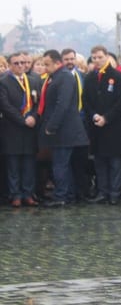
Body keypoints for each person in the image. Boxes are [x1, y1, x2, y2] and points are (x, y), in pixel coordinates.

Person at [38, 49, 90, 207]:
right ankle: (68, 194)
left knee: (60, 164)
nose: (45, 67)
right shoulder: (56, 76)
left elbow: (63, 104)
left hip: (64, 130)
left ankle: (61, 196)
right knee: (62, 164)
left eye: (47, 64)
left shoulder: (65, 77)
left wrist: (51, 126)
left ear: (56, 62)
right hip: (62, 130)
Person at [83, 45, 121, 205]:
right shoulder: (89, 77)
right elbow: (85, 100)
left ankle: (114, 192)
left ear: (107, 56)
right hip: (96, 125)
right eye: (94, 58)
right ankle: (102, 191)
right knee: (99, 160)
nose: (97, 60)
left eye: (100, 57)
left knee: (114, 161)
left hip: (113, 125)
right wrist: (94, 115)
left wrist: (106, 118)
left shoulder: (118, 76)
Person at [0, 52, 42, 207]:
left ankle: (28, 194)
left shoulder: (33, 81)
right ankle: (15, 195)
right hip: (12, 129)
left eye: (23, 62)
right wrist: (23, 120)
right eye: (16, 63)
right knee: (13, 165)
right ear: (10, 65)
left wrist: (34, 117)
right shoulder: (3, 82)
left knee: (29, 164)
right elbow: (5, 106)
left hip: (30, 129)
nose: (20, 66)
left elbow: (38, 103)